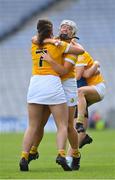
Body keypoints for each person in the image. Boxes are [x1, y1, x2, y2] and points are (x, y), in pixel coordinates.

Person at [19, 19, 85, 172]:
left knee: (68, 125)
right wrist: (49, 40)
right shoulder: (54, 41)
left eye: (68, 28)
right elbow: (35, 38)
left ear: (73, 33)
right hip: (52, 84)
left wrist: (49, 59)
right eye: (62, 26)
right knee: (40, 123)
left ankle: (75, 154)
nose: (64, 29)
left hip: (65, 84)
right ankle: (33, 151)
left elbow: (63, 71)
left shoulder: (72, 47)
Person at [67, 51, 106, 162]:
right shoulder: (66, 55)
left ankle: (69, 158)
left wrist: (96, 65)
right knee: (75, 130)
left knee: (80, 92)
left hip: (94, 89)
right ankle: (75, 157)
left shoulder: (79, 53)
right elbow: (86, 74)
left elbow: (81, 75)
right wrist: (95, 66)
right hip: (81, 97)